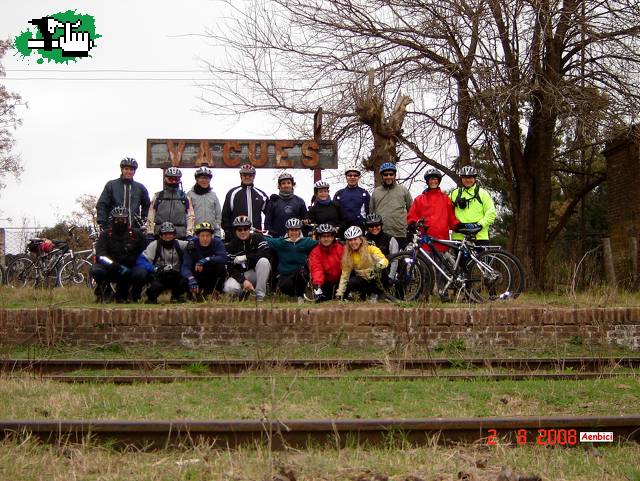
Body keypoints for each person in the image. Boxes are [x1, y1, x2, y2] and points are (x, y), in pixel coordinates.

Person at [91, 206, 146, 303]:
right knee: (96, 270)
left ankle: (133, 295)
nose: (120, 222)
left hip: (129, 267)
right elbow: (101, 255)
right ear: (113, 220)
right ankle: (106, 292)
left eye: (123, 219)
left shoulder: (136, 234)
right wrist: (114, 265)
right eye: (117, 220)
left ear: (127, 220)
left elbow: (144, 253)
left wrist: (133, 261)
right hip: (111, 267)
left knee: (141, 273)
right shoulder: (105, 235)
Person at [407, 168, 460, 252]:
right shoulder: (419, 199)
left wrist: (458, 225)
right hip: (425, 241)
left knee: (441, 265)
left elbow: (451, 217)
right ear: (427, 182)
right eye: (431, 179)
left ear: (439, 181)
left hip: (442, 240)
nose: (433, 182)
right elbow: (412, 215)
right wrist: (412, 223)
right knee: (424, 264)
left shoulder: (445, 199)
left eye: (435, 179)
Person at [135, 222, 189, 304]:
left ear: (174, 235)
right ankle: (150, 298)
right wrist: (154, 268)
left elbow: (196, 243)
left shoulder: (180, 244)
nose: (168, 237)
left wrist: (192, 242)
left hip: (175, 276)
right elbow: (140, 261)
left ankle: (178, 296)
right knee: (155, 286)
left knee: (185, 280)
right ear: (160, 235)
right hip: (159, 276)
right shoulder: (154, 245)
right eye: (165, 234)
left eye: (170, 234)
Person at [265, 218, 317, 301]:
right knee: (285, 286)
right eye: (291, 230)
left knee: (302, 273)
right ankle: (294, 295)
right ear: (287, 231)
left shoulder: (306, 241)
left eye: (296, 230)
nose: (294, 232)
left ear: (300, 230)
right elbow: (265, 240)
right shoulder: (281, 242)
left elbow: (321, 242)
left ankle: (300, 297)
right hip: (285, 275)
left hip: (301, 274)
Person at [223, 215, 272, 301]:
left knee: (264, 261)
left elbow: (266, 254)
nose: (243, 232)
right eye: (239, 229)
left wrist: (246, 257)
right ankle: (244, 295)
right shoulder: (231, 245)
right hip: (241, 276)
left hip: (256, 273)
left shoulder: (258, 238)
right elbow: (230, 268)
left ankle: (260, 296)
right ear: (235, 231)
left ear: (249, 229)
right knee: (229, 288)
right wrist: (243, 281)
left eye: (245, 229)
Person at [336, 226, 389, 302]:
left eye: (355, 239)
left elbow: (384, 261)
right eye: (350, 240)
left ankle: (377, 294)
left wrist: (376, 267)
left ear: (361, 240)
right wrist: (339, 294)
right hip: (363, 282)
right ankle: (363, 296)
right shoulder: (348, 255)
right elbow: (344, 276)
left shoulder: (370, 248)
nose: (353, 242)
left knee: (383, 272)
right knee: (352, 281)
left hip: (375, 280)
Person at [96, 157, 150, 230]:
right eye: (126, 169)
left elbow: (147, 205)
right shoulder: (111, 185)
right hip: (113, 228)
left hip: (134, 228)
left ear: (134, 171)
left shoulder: (140, 187)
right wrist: (102, 223)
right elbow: (102, 204)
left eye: (131, 170)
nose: (129, 171)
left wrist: (143, 220)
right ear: (122, 170)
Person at [449, 165, 496, 245]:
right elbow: (446, 211)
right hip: (459, 237)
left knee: (481, 257)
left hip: (480, 237)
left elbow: (491, 212)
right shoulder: (454, 193)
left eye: (470, 177)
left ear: (474, 178)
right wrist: (455, 224)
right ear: (461, 178)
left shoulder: (482, 193)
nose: (467, 180)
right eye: (465, 177)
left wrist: (479, 225)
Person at [369, 162, 413, 249]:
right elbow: (371, 212)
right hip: (382, 234)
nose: (388, 177)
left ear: (395, 175)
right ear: (382, 176)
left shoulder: (403, 190)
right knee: (383, 261)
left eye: (391, 174)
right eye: (385, 174)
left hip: (400, 233)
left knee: (401, 261)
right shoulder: (376, 192)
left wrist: (410, 227)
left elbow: (411, 210)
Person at [180, 222, 228, 300]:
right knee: (183, 279)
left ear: (211, 236)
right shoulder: (191, 245)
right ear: (198, 236)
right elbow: (185, 266)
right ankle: (191, 293)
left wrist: (206, 260)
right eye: (202, 236)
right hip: (197, 274)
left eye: (208, 236)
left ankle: (216, 291)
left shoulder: (217, 243)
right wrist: (191, 278)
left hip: (211, 274)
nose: (205, 238)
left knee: (221, 267)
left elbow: (223, 258)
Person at [221, 164, 269, 239]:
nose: (247, 177)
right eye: (244, 175)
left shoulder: (261, 195)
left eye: (250, 175)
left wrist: (274, 202)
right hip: (237, 235)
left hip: (256, 235)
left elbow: (270, 214)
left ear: (254, 176)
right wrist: (228, 231)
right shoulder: (232, 193)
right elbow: (225, 215)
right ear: (241, 176)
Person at [147, 167, 195, 239]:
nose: (173, 182)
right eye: (170, 179)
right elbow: (151, 215)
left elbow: (190, 217)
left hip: (179, 236)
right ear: (165, 178)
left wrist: (189, 234)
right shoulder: (158, 196)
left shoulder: (185, 198)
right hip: (160, 235)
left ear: (179, 180)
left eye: (176, 179)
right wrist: (150, 232)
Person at [264, 172, 308, 238]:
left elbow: (305, 221)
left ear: (292, 184)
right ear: (279, 186)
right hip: (278, 239)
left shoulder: (300, 201)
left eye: (288, 183)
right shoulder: (273, 202)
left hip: (296, 238)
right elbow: (267, 222)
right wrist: (272, 235)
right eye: (283, 183)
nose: (286, 185)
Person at [308, 224, 344, 302]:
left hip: (341, 281)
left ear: (333, 237)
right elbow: (317, 270)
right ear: (319, 238)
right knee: (321, 300)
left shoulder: (340, 248)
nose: (326, 239)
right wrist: (317, 285)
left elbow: (346, 267)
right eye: (323, 236)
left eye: (329, 236)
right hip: (326, 282)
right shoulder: (315, 252)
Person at [187, 167, 222, 238]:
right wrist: (189, 233)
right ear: (197, 179)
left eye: (207, 178)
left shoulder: (213, 195)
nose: (204, 180)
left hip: (211, 233)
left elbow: (218, 215)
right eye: (202, 178)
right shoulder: (190, 194)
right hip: (195, 234)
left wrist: (217, 233)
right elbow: (187, 215)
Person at [333, 168, 370, 233]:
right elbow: (334, 212)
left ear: (358, 177)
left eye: (355, 175)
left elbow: (369, 211)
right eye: (350, 175)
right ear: (346, 177)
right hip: (343, 228)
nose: (352, 177)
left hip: (360, 227)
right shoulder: (339, 194)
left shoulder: (364, 193)